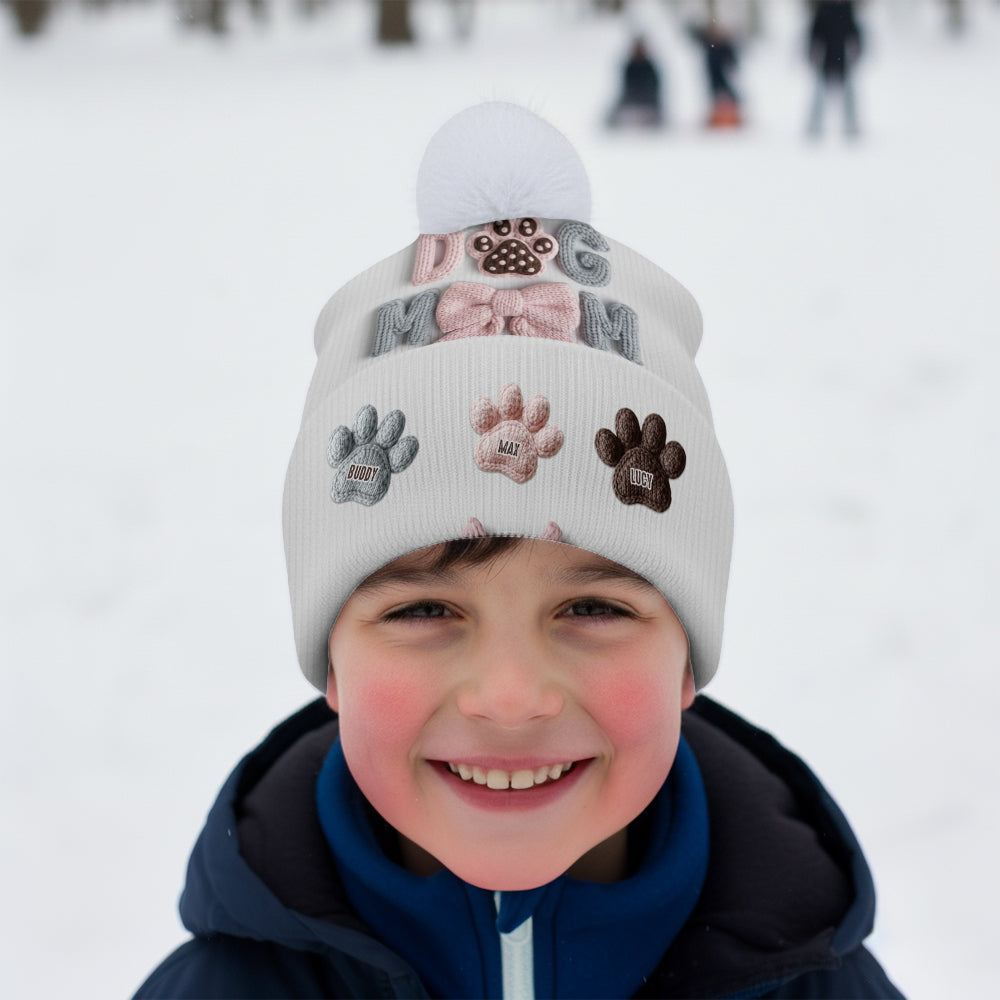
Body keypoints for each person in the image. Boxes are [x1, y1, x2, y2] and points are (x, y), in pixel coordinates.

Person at [133, 102, 904, 999]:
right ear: (330, 663)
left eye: (593, 607)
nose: (510, 698)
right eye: (423, 609)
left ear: (686, 657)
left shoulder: (817, 985)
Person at [806, 0, 864, 137]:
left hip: (842, 58)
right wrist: (812, 51)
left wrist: (857, 49)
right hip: (825, 59)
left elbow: (854, 31)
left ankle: (852, 124)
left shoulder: (846, 8)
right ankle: (814, 124)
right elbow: (815, 32)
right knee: (818, 94)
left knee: (849, 94)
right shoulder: (823, 9)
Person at [687, 19, 743, 128]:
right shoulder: (708, 45)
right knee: (717, 98)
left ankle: (730, 117)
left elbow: (733, 63)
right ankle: (719, 118)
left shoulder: (725, 46)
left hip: (725, 79)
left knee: (730, 97)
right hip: (713, 79)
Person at [606, 36, 665, 128]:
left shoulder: (649, 66)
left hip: (648, 103)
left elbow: (654, 88)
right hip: (631, 102)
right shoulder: (629, 66)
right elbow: (625, 88)